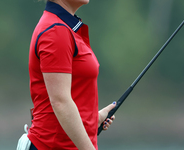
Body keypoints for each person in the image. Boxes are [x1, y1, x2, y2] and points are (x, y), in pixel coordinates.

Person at [23, 0, 116, 149]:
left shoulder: (65, 27)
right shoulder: (56, 30)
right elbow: (60, 102)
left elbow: (69, 95)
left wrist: (91, 120)